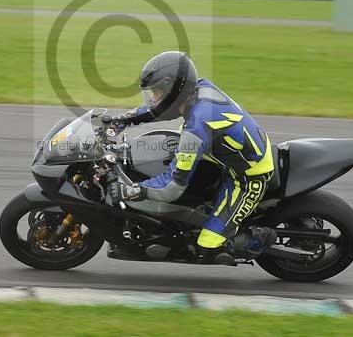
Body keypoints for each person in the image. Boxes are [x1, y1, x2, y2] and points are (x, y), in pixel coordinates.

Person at [109, 51, 276, 265]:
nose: (153, 98)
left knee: (208, 245)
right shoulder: (197, 89)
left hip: (247, 176)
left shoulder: (197, 126)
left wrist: (132, 190)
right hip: (222, 152)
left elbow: (171, 188)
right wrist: (124, 119)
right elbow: (163, 110)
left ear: (173, 89)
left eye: (157, 92)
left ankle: (259, 238)